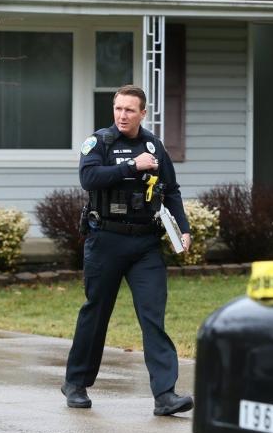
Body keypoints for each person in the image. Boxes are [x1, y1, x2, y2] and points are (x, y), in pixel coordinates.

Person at [62, 84, 194, 416]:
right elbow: (89, 178)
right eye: (118, 109)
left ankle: (165, 394)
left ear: (142, 113)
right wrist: (132, 167)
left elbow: (172, 190)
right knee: (96, 313)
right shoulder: (100, 142)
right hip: (105, 240)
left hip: (145, 244)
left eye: (130, 110)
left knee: (153, 316)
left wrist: (184, 227)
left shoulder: (154, 145)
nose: (122, 115)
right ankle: (76, 384)